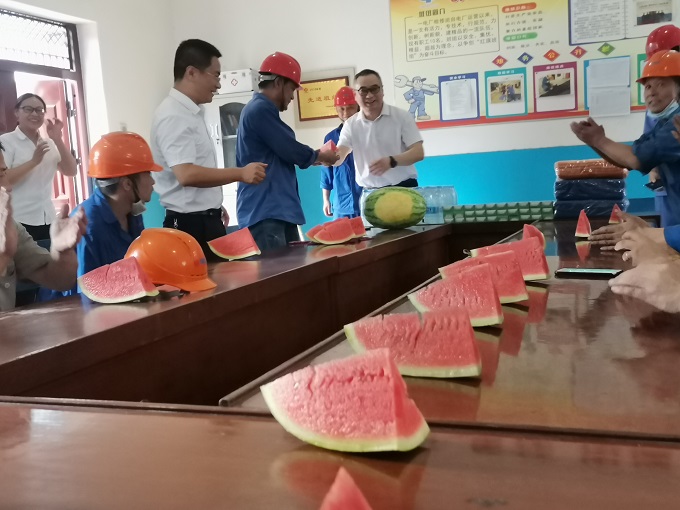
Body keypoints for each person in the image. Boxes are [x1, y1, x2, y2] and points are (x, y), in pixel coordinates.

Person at [151, 39, 267, 258]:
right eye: (216, 75)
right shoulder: (173, 115)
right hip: (189, 226)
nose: (219, 84)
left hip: (204, 220)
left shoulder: (191, 113)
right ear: (192, 73)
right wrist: (240, 173)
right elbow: (186, 174)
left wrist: (212, 206)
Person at [236, 51, 339, 250]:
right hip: (266, 211)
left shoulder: (261, 110)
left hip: (275, 211)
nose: (292, 96)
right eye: (291, 89)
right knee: (277, 270)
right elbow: (290, 149)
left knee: (291, 267)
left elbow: (285, 150)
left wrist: (316, 157)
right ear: (278, 83)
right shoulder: (259, 110)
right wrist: (319, 156)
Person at [571, 50, 680, 231]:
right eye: (648, 86)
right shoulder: (663, 123)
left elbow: (634, 159)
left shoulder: (676, 123)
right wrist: (594, 141)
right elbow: (626, 161)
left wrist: (599, 140)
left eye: (661, 84)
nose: (652, 93)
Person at [0, 142, 86, 312]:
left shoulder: (11, 228)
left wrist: (62, 252)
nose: (8, 186)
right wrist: (4, 256)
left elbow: (60, 281)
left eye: (3, 173)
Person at [335, 69, 424, 217]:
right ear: (356, 96)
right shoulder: (351, 125)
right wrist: (323, 157)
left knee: (407, 232)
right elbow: (339, 155)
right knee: (373, 233)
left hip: (404, 190)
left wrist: (392, 161)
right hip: (370, 195)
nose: (370, 95)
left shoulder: (401, 117)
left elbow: (418, 152)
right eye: (363, 91)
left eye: (374, 89)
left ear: (382, 91)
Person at [73, 132, 161, 279]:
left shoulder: (131, 212)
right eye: (148, 174)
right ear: (127, 184)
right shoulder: (88, 226)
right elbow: (87, 289)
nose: (153, 182)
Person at [0, 93, 78, 241]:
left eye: (39, 110)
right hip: (18, 219)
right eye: (28, 109)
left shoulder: (49, 143)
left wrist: (57, 139)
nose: (35, 114)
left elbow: (71, 171)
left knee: (50, 255)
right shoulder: (6, 141)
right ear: (17, 112)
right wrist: (33, 162)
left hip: (48, 217)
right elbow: (4, 180)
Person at [320, 86, 362, 219]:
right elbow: (326, 172)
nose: (346, 113)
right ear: (336, 109)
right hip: (342, 204)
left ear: (358, 107)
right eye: (341, 109)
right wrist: (326, 200)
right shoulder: (330, 138)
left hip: (366, 200)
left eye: (350, 108)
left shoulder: (368, 133)